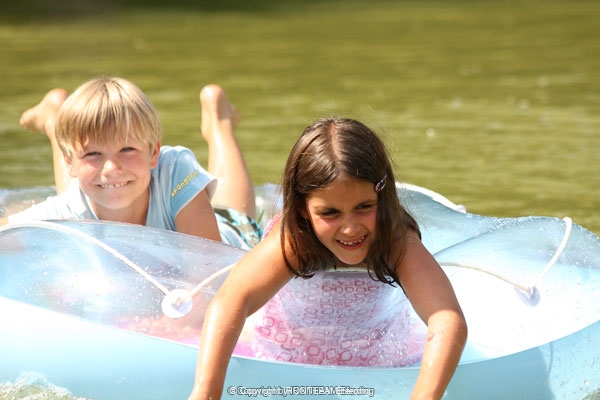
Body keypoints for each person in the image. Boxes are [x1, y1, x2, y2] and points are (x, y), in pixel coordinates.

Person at [188, 117, 468, 400]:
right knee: (238, 217)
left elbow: (445, 316)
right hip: (283, 366)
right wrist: (206, 390)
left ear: (382, 198)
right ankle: (220, 125)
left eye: (364, 207)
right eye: (330, 213)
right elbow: (232, 299)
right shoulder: (294, 241)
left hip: (377, 368)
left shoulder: (395, 241)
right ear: (302, 208)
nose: (350, 228)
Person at [2, 77, 261, 248]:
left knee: (236, 213)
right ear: (67, 161)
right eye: (93, 154)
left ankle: (219, 118)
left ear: (154, 152)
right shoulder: (70, 205)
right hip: (80, 190)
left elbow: (208, 273)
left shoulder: (175, 173)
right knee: (83, 190)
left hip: (227, 237)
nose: (112, 168)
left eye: (127, 149)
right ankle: (55, 118)